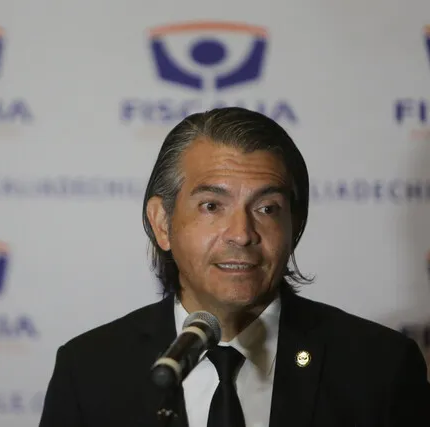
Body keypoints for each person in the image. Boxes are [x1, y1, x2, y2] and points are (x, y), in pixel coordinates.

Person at [38, 107, 430, 427]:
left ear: (295, 226)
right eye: (212, 206)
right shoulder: (89, 370)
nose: (242, 234)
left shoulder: (380, 367)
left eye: (267, 209)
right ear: (162, 223)